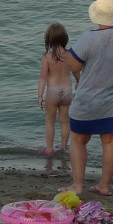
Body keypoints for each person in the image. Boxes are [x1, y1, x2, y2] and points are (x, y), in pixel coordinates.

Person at [64, 0, 113, 196]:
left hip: (88, 99)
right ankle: (104, 185)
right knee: (110, 141)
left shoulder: (87, 38)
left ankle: (78, 185)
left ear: (96, 15)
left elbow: (73, 65)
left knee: (78, 140)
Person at [38, 22, 79, 156]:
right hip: (67, 92)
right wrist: (79, 82)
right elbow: (76, 72)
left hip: (53, 92)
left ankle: (49, 149)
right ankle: (63, 148)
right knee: (65, 122)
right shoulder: (70, 55)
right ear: (64, 38)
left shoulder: (47, 57)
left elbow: (43, 78)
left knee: (50, 122)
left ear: (49, 39)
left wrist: (40, 96)